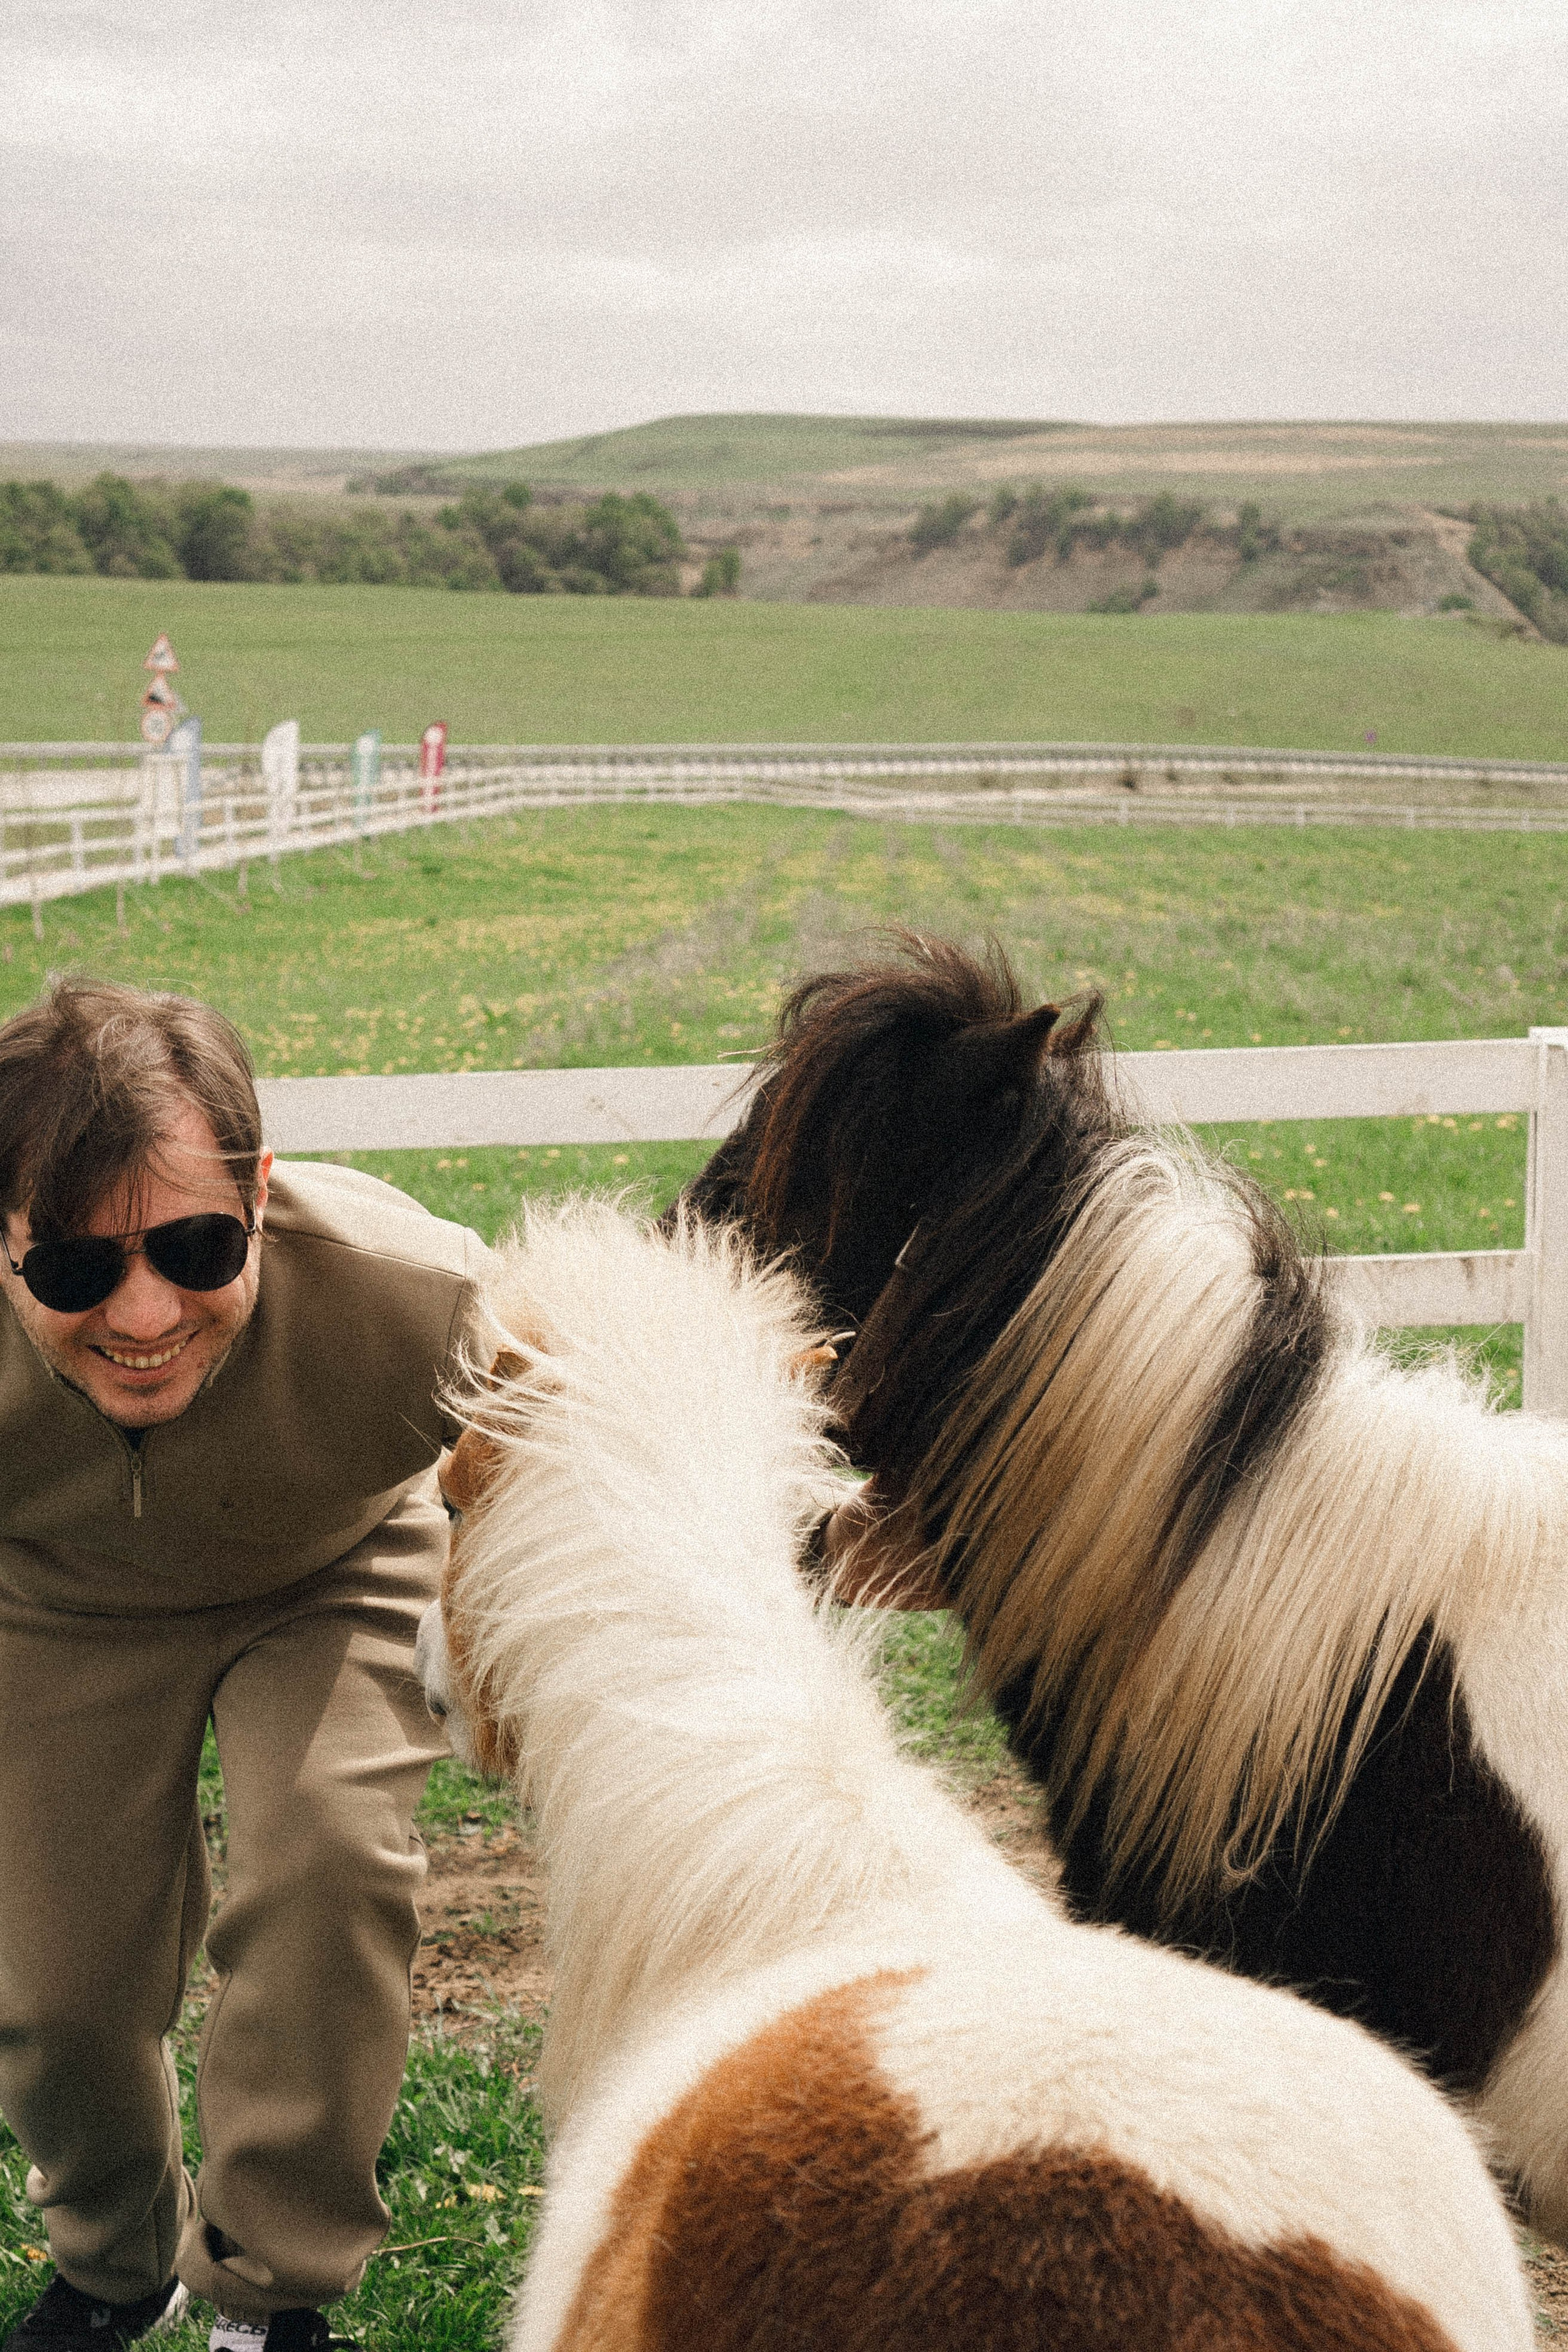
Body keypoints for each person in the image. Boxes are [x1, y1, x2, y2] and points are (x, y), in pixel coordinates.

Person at [0, 981, 492, 2352]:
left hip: (330, 1565)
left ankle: (270, 2294)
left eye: (199, 1245)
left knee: (325, 1858)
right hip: (51, 1597)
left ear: (261, 1191)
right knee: (54, 1993)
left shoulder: (426, 1295)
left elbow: (600, 1425)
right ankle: (114, 2267)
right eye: (76, 1272)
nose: (144, 1313)